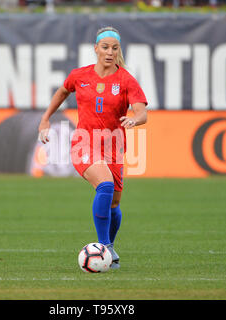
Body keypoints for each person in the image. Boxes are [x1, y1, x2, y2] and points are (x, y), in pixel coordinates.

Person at [38, 26, 148, 269]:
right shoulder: (80, 75)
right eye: (105, 47)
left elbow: (142, 112)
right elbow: (62, 91)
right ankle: (104, 247)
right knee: (105, 185)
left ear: (119, 50)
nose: (110, 52)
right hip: (84, 143)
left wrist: (134, 119)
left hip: (114, 146)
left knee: (114, 204)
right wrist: (45, 119)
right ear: (96, 48)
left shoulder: (126, 80)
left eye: (115, 48)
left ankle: (110, 245)